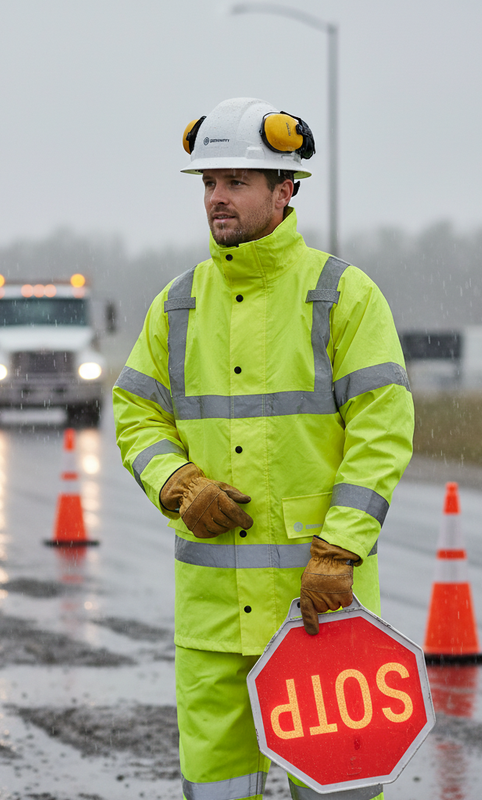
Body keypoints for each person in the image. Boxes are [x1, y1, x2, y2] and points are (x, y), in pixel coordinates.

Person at [112, 97, 414, 800]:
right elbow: (135, 414)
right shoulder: (178, 304)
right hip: (213, 625)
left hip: (320, 615)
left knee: (338, 792)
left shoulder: (343, 296)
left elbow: (381, 434)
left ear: (285, 188)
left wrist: (338, 550)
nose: (216, 198)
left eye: (236, 182)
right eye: (208, 183)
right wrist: (180, 481)